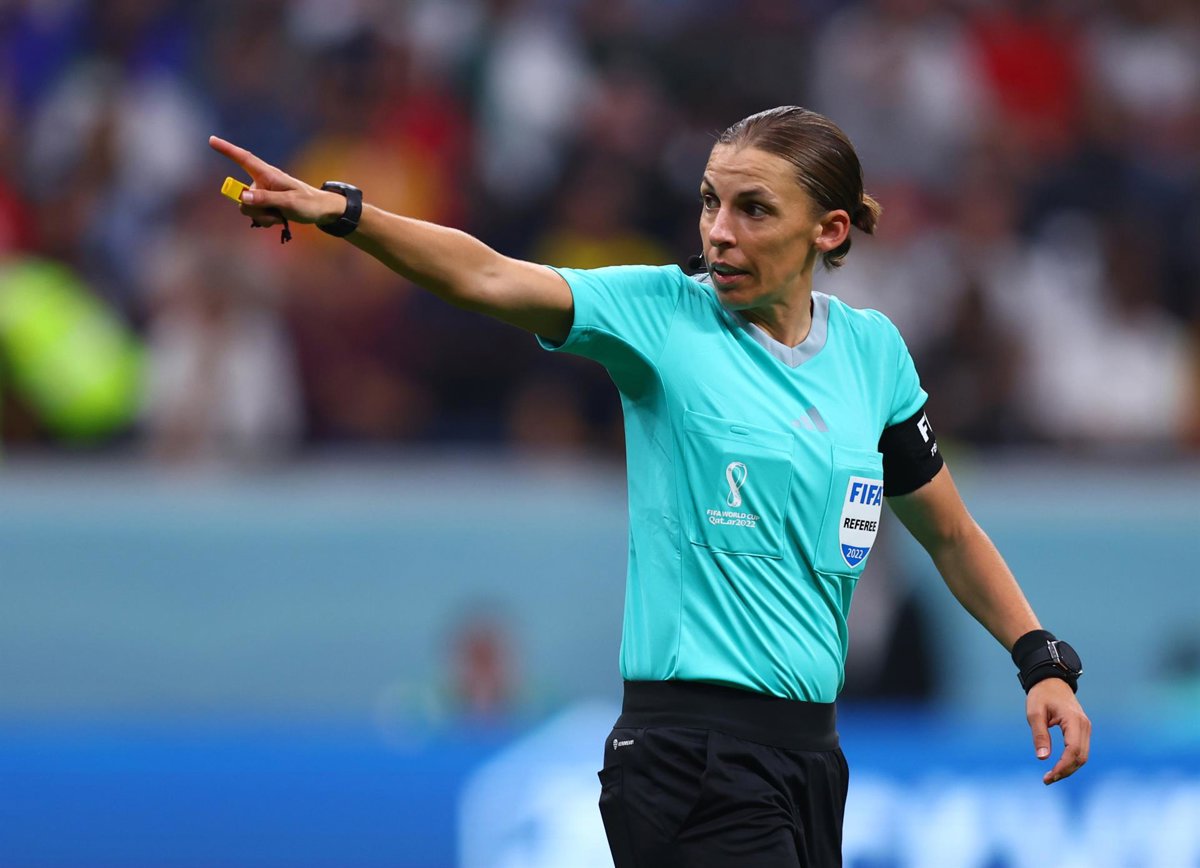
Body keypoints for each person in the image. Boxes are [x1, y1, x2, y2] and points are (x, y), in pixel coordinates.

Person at [209, 105, 1090, 867]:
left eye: (752, 209)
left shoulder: (873, 353)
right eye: (710, 202)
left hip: (813, 757)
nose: (718, 231)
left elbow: (949, 533)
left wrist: (1038, 658)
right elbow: (487, 274)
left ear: (828, 231)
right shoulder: (662, 317)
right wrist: (346, 213)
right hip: (687, 758)